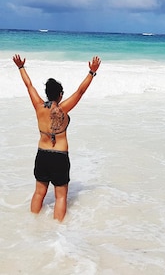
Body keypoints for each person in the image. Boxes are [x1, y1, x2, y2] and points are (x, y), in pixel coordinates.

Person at [12, 53, 101, 222]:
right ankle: (58, 234)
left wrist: (20, 67)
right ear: (60, 94)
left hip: (42, 154)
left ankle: (32, 225)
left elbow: (28, 85)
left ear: (46, 93)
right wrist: (91, 72)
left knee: (39, 192)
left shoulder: (38, 107)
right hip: (59, 156)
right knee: (60, 197)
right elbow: (80, 91)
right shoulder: (64, 109)